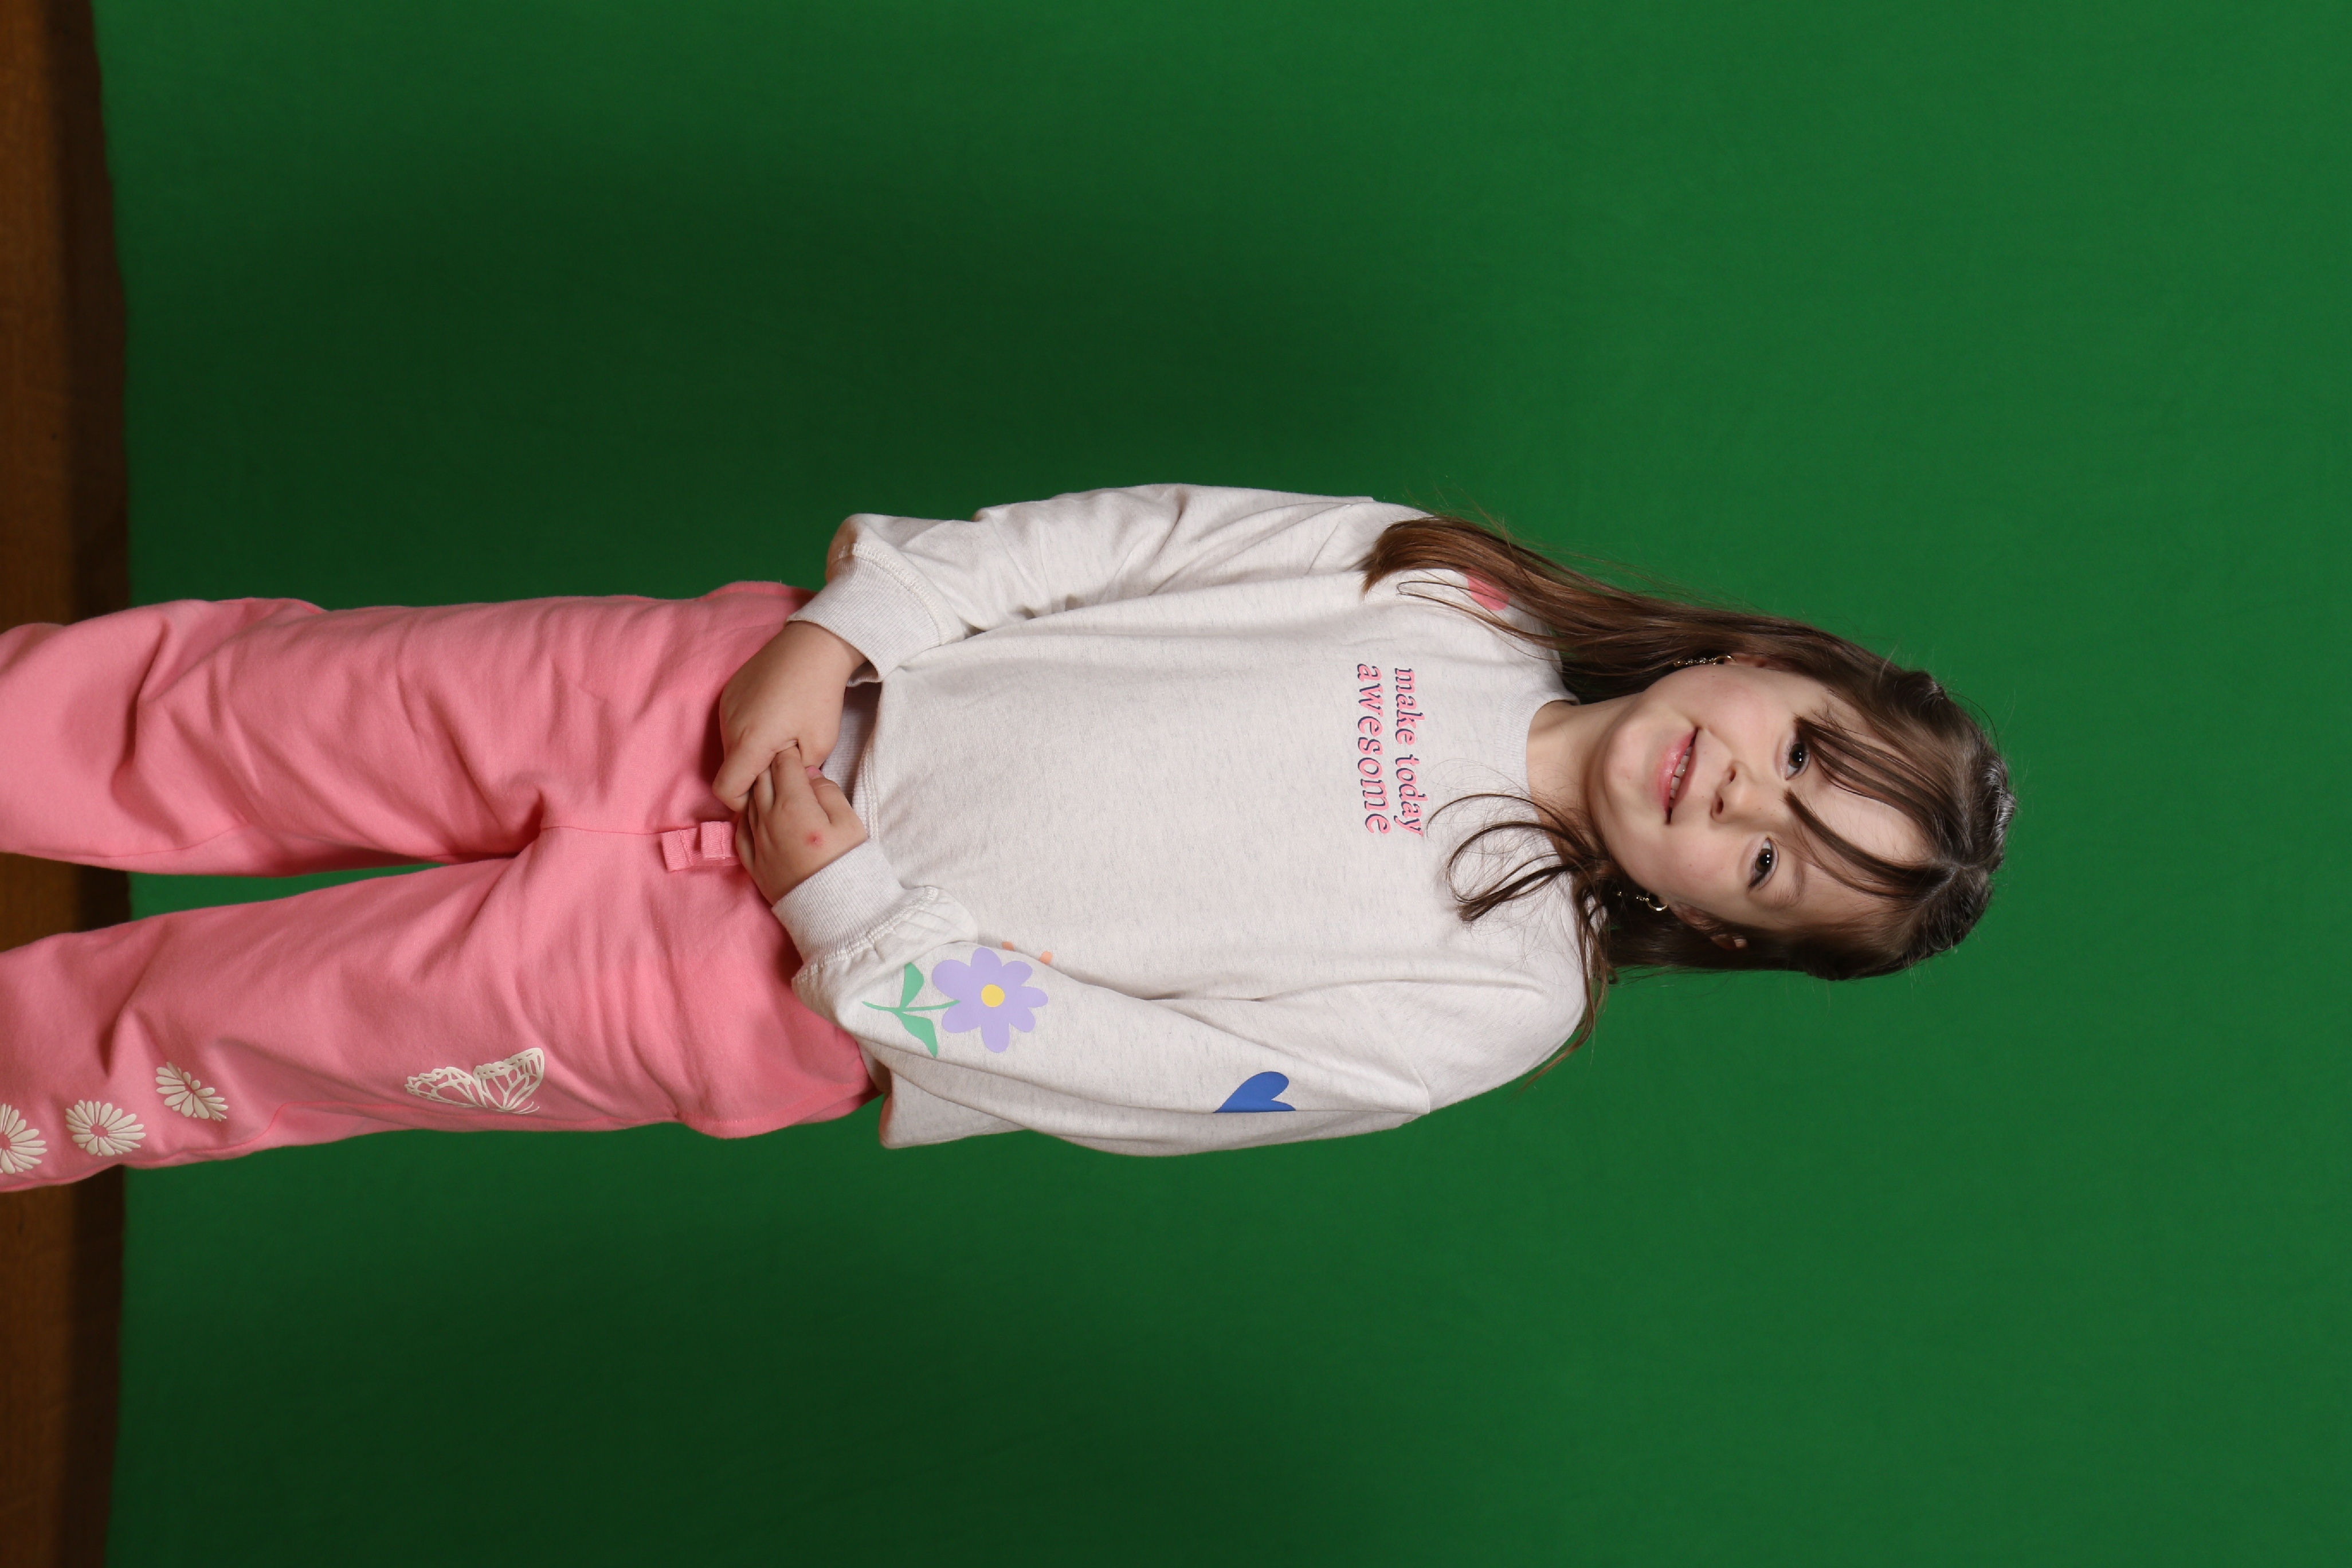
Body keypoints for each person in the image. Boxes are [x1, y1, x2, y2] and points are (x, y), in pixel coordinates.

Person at [0, 485, 2011, 1189]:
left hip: (731, 982)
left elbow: (1134, 1074)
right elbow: (1112, 542)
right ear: (1769, 658)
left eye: (1775, 864)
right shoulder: (1447, 593)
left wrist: (847, 912)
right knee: (230, 710)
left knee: (239, 1034)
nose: (1739, 797)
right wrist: (842, 633)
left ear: (1720, 928)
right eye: (1797, 753)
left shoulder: (1491, 1002)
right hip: (718, 696)